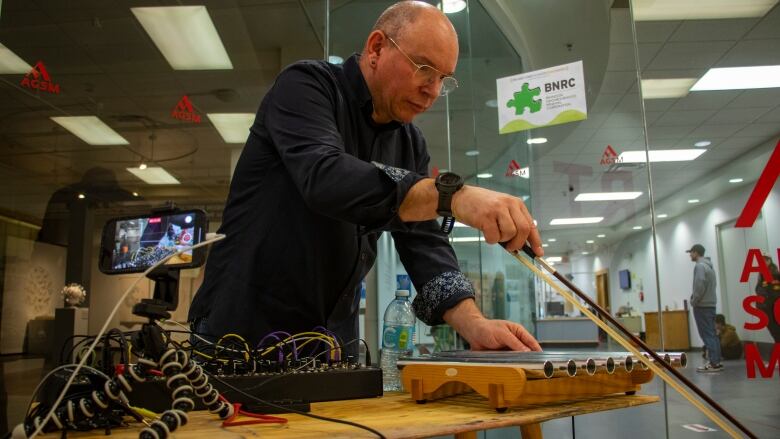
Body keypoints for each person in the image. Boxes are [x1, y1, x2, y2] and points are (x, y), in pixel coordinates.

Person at [188, 1, 544, 358]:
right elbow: (325, 177)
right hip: (242, 333)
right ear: (376, 48)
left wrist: (474, 323)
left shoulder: (409, 142)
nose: (433, 91)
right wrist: (453, 197)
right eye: (424, 69)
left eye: (443, 79)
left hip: (329, 342)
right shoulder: (307, 87)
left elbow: (422, 240)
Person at [687, 244, 722, 372]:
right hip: (711, 304)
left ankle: (713, 363)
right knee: (712, 334)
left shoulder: (700, 266)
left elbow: (699, 285)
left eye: (691, 252)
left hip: (702, 305)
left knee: (706, 334)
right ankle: (716, 361)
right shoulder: (709, 266)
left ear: (696, 253)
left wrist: (694, 301)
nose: (690, 255)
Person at [755, 253, 780, 343]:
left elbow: (772, 290)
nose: (763, 262)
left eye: (765, 260)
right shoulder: (762, 273)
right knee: (774, 330)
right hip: (765, 306)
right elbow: (759, 289)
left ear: (769, 260)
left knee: (776, 330)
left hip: (771, 305)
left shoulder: (773, 272)